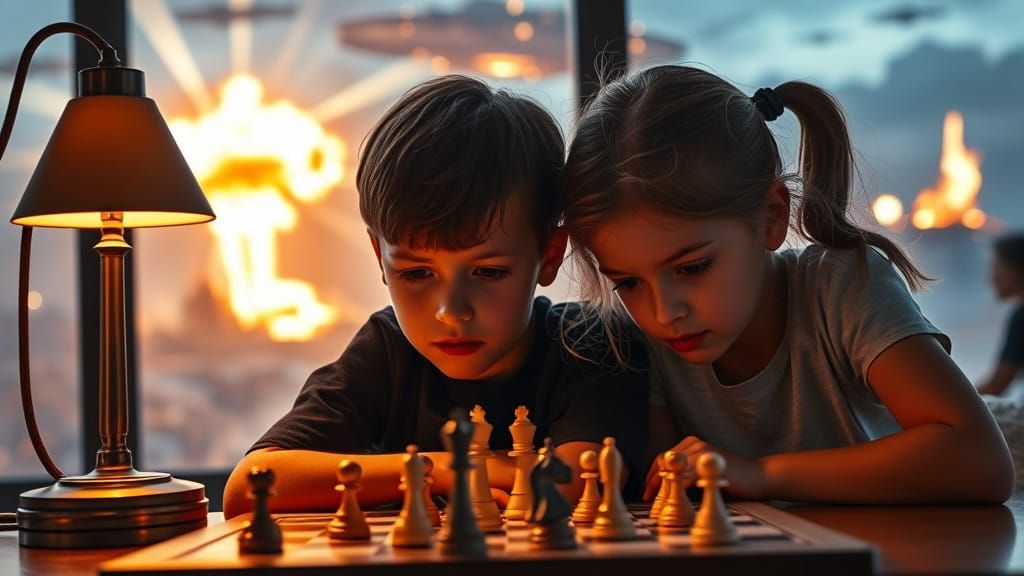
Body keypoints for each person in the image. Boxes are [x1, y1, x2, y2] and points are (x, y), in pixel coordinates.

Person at [561, 65, 1013, 504]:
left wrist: (763, 476)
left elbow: (980, 460)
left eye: (693, 268)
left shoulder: (843, 287)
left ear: (773, 217)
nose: (665, 313)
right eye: (628, 283)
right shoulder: (641, 339)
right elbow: (675, 492)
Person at [222, 76, 647, 519]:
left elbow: (580, 479)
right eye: (417, 272)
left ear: (548, 254)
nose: (451, 310)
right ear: (378, 257)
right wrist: (446, 470)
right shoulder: (386, 349)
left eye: (488, 272)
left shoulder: (589, 341)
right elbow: (249, 484)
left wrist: (433, 470)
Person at [978, 233, 1024, 396]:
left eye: (996, 268)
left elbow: (997, 385)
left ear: (1014, 270)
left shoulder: (1021, 317)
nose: (990, 279)